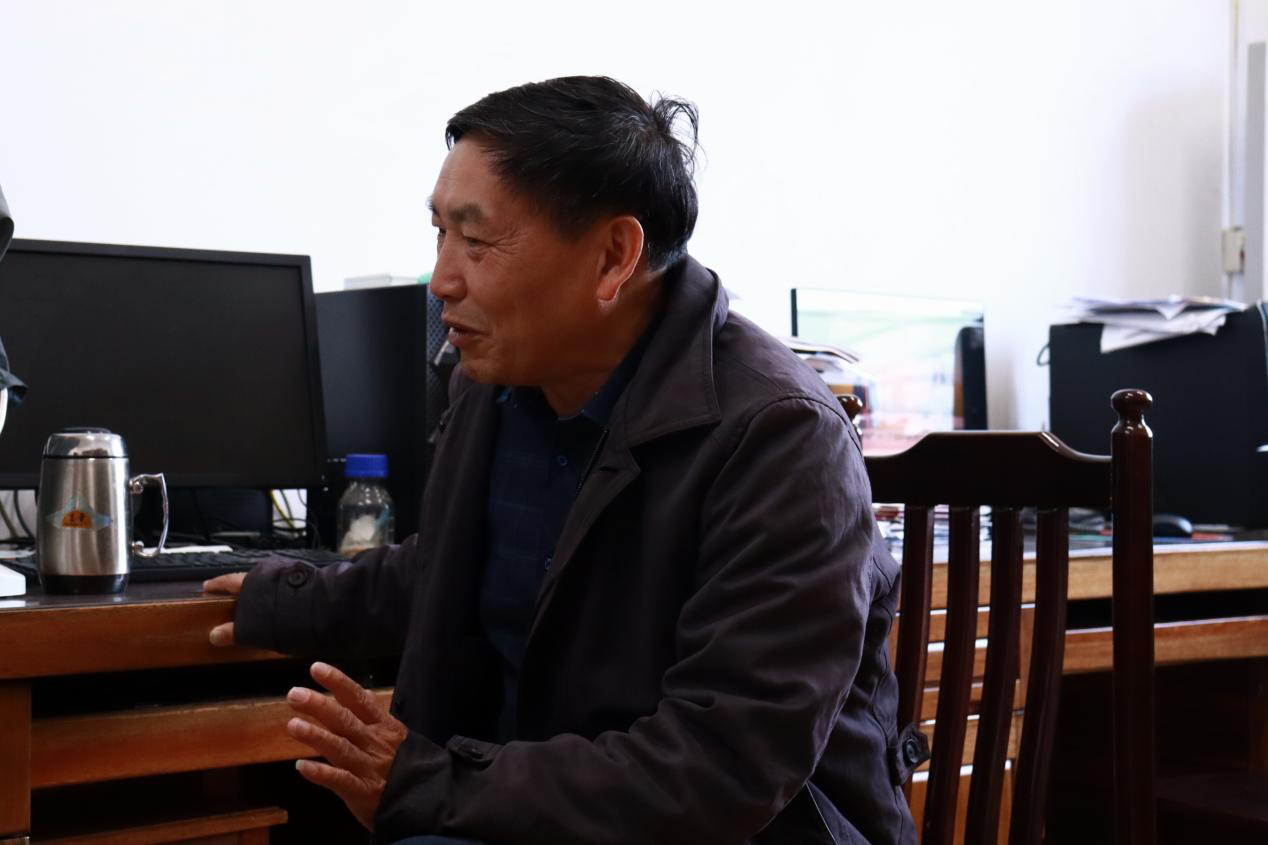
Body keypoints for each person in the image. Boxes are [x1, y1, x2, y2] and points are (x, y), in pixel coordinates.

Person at [205, 76, 916, 845]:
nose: (442, 280)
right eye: (440, 233)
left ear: (613, 256)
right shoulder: (495, 385)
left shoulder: (780, 436)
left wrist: (428, 783)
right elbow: (454, 568)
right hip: (524, 809)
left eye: (476, 242)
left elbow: (720, 766)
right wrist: (284, 597)